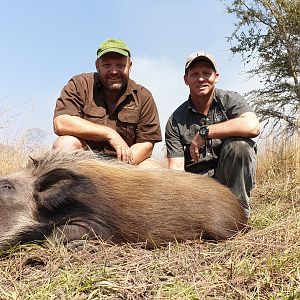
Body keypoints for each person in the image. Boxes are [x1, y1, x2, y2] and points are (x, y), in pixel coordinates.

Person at [165, 50, 260, 217]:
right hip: (199, 188)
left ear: (216, 76)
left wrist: (206, 132)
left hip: (229, 181)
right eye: (194, 74)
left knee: (240, 146)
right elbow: (176, 171)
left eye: (206, 73)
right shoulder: (175, 120)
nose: (201, 78)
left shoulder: (230, 100)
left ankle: (240, 214)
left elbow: (252, 126)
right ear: (186, 79)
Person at [53, 38, 162, 167]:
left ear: (130, 66)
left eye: (120, 66)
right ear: (97, 66)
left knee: (152, 167)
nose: (114, 71)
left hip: (125, 166)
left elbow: (147, 143)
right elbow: (61, 123)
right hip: (86, 164)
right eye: (107, 65)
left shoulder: (143, 96)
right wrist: (109, 134)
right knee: (65, 143)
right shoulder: (79, 85)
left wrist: (118, 169)